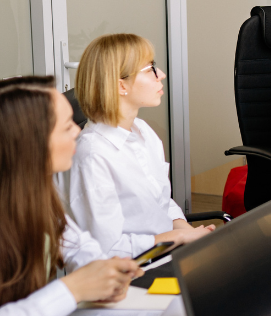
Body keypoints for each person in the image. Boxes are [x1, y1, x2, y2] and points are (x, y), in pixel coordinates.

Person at [0, 76, 144, 315]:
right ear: (30, 144)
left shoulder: (30, 194)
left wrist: (105, 274)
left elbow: (77, 245)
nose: (77, 131)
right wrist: (72, 289)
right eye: (67, 125)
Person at [63, 34, 213, 257]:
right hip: (132, 271)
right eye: (150, 68)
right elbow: (108, 249)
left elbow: (162, 204)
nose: (161, 75)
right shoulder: (93, 155)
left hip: (168, 253)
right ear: (121, 85)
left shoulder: (143, 131)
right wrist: (177, 237)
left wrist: (191, 237)